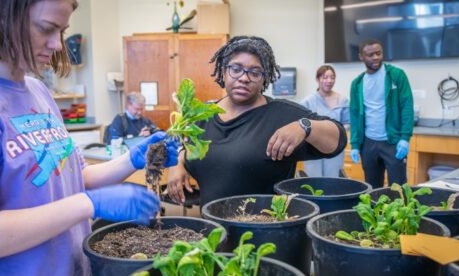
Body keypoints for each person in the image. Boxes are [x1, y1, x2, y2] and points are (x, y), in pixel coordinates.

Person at [0, 1, 179, 276]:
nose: (57, 45)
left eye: (63, 30)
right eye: (46, 28)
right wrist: (88, 204)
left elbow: (73, 176)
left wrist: (133, 159)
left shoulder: (38, 91)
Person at [167, 36, 347, 207]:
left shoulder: (281, 115)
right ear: (223, 71)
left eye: (254, 72)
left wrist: (305, 126)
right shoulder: (204, 115)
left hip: (265, 232)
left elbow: (337, 140)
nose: (244, 78)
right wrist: (179, 163)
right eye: (236, 69)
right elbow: (188, 146)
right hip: (214, 233)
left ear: (264, 78)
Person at [349, 39, 414, 188]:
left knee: (398, 189)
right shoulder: (357, 83)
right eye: (370, 54)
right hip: (368, 144)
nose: (375, 57)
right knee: (371, 189)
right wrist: (355, 144)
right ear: (361, 57)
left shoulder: (396, 75)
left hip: (393, 143)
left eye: (378, 53)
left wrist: (405, 138)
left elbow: (407, 106)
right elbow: (354, 115)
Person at [301, 65, 349, 177]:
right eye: (325, 77)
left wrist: (337, 131)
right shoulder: (308, 102)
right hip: (313, 149)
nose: (329, 81)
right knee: (313, 182)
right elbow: (302, 126)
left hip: (335, 148)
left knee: (333, 181)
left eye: (332, 77)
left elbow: (347, 123)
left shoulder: (343, 100)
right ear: (318, 79)